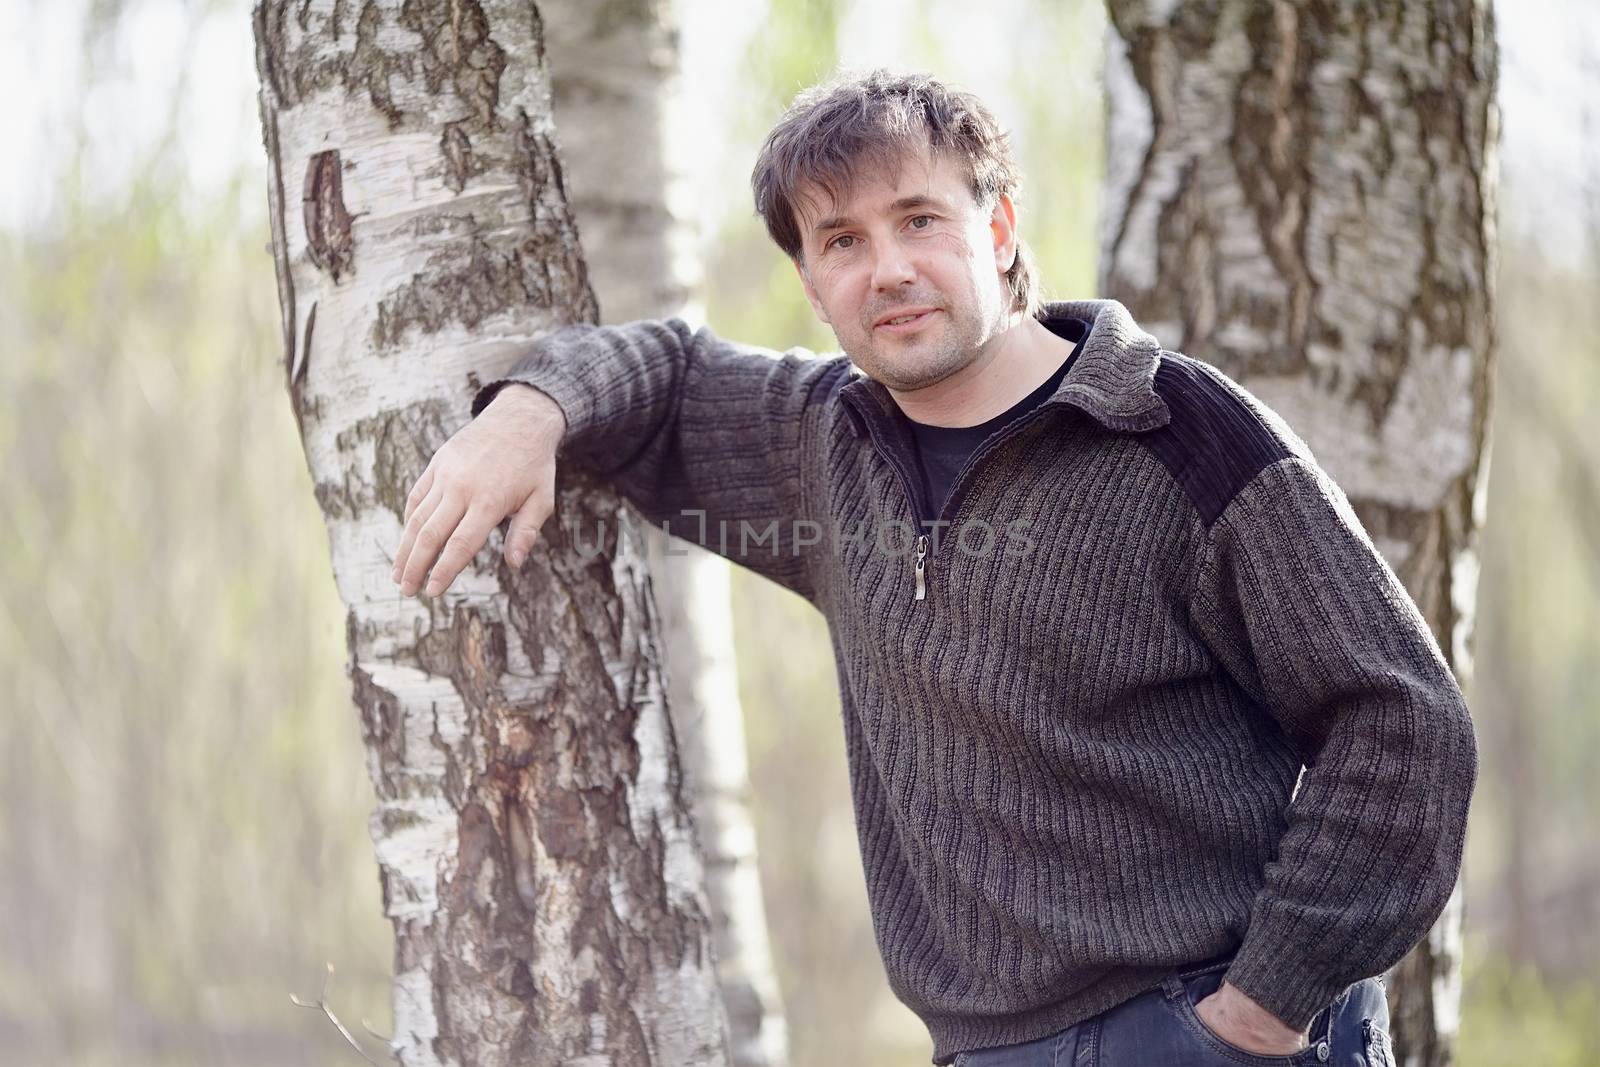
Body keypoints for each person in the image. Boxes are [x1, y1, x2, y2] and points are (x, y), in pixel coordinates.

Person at [390, 69, 1473, 1067]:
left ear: (997, 228)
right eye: (841, 239)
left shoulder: (1176, 429)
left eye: (919, 219)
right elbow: (668, 373)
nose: (888, 268)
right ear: (812, 281)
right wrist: (531, 410)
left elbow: (1402, 719)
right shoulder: (818, 444)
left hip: (1210, 1024)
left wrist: (1257, 1011)